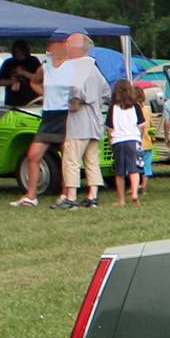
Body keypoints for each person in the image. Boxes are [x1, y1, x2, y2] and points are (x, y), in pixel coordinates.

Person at [10, 32, 69, 207]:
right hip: (49, 115)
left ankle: (66, 194)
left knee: (67, 156)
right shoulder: (45, 67)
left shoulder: (72, 68)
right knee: (33, 155)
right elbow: (34, 82)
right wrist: (45, 94)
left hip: (65, 114)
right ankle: (31, 196)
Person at [56, 34, 108, 210]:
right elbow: (106, 92)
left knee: (71, 160)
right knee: (92, 160)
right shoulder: (94, 68)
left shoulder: (76, 68)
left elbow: (75, 90)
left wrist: (73, 103)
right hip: (95, 120)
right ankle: (92, 197)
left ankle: (71, 198)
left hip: (79, 122)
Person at [108, 79, 148, 206]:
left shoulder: (113, 108)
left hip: (118, 140)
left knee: (119, 172)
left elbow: (110, 128)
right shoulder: (136, 106)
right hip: (133, 139)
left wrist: (110, 141)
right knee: (134, 169)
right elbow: (141, 125)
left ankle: (121, 199)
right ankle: (135, 193)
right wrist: (139, 137)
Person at [0, 38, 41, 107]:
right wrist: (12, 81)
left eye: (20, 51)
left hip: (30, 100)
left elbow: (39, 79)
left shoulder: (33, 61)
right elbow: (0, 82)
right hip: (12, 100)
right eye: (16, 52)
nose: (18, 54)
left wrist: (23, 72)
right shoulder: (8, 63)